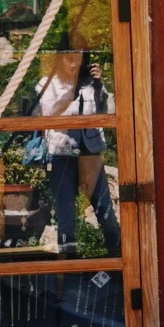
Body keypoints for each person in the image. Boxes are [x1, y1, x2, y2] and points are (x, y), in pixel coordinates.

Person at [39, 52, 121, 257]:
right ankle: (69, 269)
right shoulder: (47, 83)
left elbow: (108, 110)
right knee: (67, 217)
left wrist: (98, 85)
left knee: (106, 213)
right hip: (61, 155)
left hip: (90, 154)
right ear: (59, 60)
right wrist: (73, 90)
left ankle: (117, 262)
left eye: (78, 59)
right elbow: (50, 111)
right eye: (69, 58)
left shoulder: (90, 83)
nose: (73, 63)